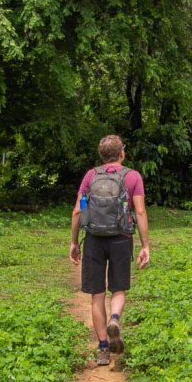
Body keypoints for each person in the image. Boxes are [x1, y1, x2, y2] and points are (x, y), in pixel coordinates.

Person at [70, 135, 151, 366]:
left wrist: (74, 242)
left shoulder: (91, 176)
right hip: (121, 238)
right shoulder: (132, 176)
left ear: (101, 155)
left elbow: (78, 210)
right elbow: (141, 212)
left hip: (94, 239)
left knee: (97, 295)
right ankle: (115, 318)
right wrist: (146, 245)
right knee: (118, 289)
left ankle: (103, 349)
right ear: (122, 153)